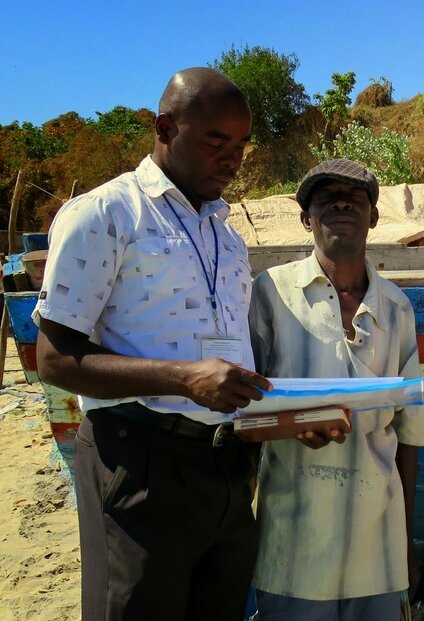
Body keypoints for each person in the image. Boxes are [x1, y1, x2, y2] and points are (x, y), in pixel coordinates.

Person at [34, 67, 272, 620]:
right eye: (216, 140)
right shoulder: (105, 214)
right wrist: (183, 378)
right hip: (139, 460)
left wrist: (276, 426)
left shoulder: (228, 234)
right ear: (165, 128)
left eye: (240, 144)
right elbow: (54, 358)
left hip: (226, 466)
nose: (232, 158)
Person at [249, 159, 424, 620]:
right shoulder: (270, 294)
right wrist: (288, 425)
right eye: (326, 197)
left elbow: (408, 438)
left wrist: (405, 545)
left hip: (378, 552)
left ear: (373, 216)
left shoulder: (397, 308)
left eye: (356, 197)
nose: (342, 203)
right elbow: (239, 411)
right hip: (293, 549)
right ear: (306, 217)